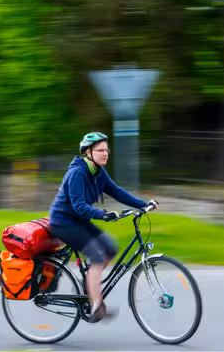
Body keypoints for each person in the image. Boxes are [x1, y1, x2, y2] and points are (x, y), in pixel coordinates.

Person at [48, 132, 158, 322]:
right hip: (64, 223)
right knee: (98, 257)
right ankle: (96, 305)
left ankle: (89, 283)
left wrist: (143, 204)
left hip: (79, 221)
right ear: (88, 152)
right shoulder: (77, 173)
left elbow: (117, 192)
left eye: (106, 150)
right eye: (100, 150)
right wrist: (104, 214)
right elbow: (79, 206)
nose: (105, 153)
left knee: (110, 248)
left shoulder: (98, 173)